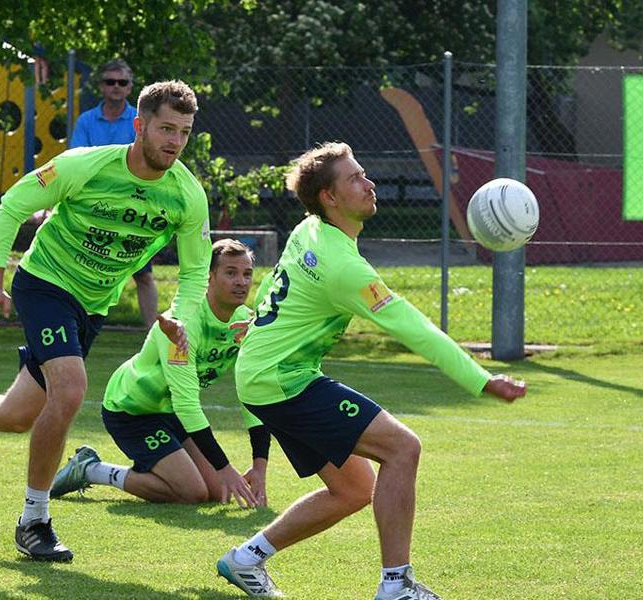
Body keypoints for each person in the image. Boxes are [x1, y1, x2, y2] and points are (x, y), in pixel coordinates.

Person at [0, 80, 211, 564]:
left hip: (91, 306)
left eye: (185, 132)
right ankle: (34, 521)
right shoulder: (83, 165)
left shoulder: (187, 195)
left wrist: (182, 315)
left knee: (14, 414)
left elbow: (196, 269)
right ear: (140, 126)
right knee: (70, 390)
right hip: (44, 283)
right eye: (166, 129)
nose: (175, 141)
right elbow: (13, 206)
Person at [213, 142, 527, 600]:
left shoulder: (309, 228)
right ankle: (396, 587)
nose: (370, 183)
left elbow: (280, 291)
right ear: (330, 197)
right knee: (403, 448)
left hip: (267, 375)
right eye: (355, 178)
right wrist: (480, 379)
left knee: (355, 488)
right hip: (282, 380)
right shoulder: (343, 268)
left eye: (364, 173)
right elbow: (413, 327)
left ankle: (244, 560)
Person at [50, 239, 268, 508]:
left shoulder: (246, 322)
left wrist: (260, 466)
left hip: (168, 410)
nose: (241, 282)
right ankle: (90, 469)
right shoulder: (181, 324)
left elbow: (253, 391)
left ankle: (164, 469)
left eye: (247, 274)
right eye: (231, 272)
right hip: (131, 410)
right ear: (209, 277)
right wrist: (224, 467)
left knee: (214, 492)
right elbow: (188, 405)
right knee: (192, 493)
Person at [70, 59, 158, 328]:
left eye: (122, 82)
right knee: (80, 270)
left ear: (130, 87)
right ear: (101, 86)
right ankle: (73, 325)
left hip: (133, 205)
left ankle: (151, 334)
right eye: (110, 82)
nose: (116, 87)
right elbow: (77, 159)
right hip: (93, 206)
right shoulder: (86, 121)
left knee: (143, 274)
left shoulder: (142, 121)